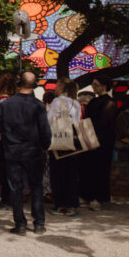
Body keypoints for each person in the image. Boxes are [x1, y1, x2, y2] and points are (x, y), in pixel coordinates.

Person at [0, 71, 52, 235]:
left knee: (16, 187)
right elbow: (45, 130)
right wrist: (44, 145)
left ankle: (20, 224)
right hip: (33, 150)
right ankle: (39, 223)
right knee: (36, 186)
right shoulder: (38, 105)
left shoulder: (6, 105)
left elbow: (1, 128)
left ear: (18, 82)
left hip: (13, 150)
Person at [81, 77, 117, 209]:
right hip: (91, 138)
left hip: (103, 141)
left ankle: (98, 197)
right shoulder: (94, 101)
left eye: (96, 84)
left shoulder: (109, 102)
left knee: (100, 169)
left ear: (104, 85)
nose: (93, 87)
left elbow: (104, 122)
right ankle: (87, 196)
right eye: (93, 84)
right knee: (88, 169)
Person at [47, 77, 82, 217]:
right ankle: (71, 204)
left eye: (57, 85)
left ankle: (60, 204)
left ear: (61, 87)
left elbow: (49, 120)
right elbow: (77, 122)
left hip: (59, 141)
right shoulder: (76, 103)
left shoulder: (57, 101)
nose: (55, 88)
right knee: (71, 174)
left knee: (58, 174)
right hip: (72, 142)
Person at [0, 72, 17, 208]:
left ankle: (3, 197)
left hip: (4, 137)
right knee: (3, 168)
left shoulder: (1, 100)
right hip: (7, 138)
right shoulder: (6, 101)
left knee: (4, 168)